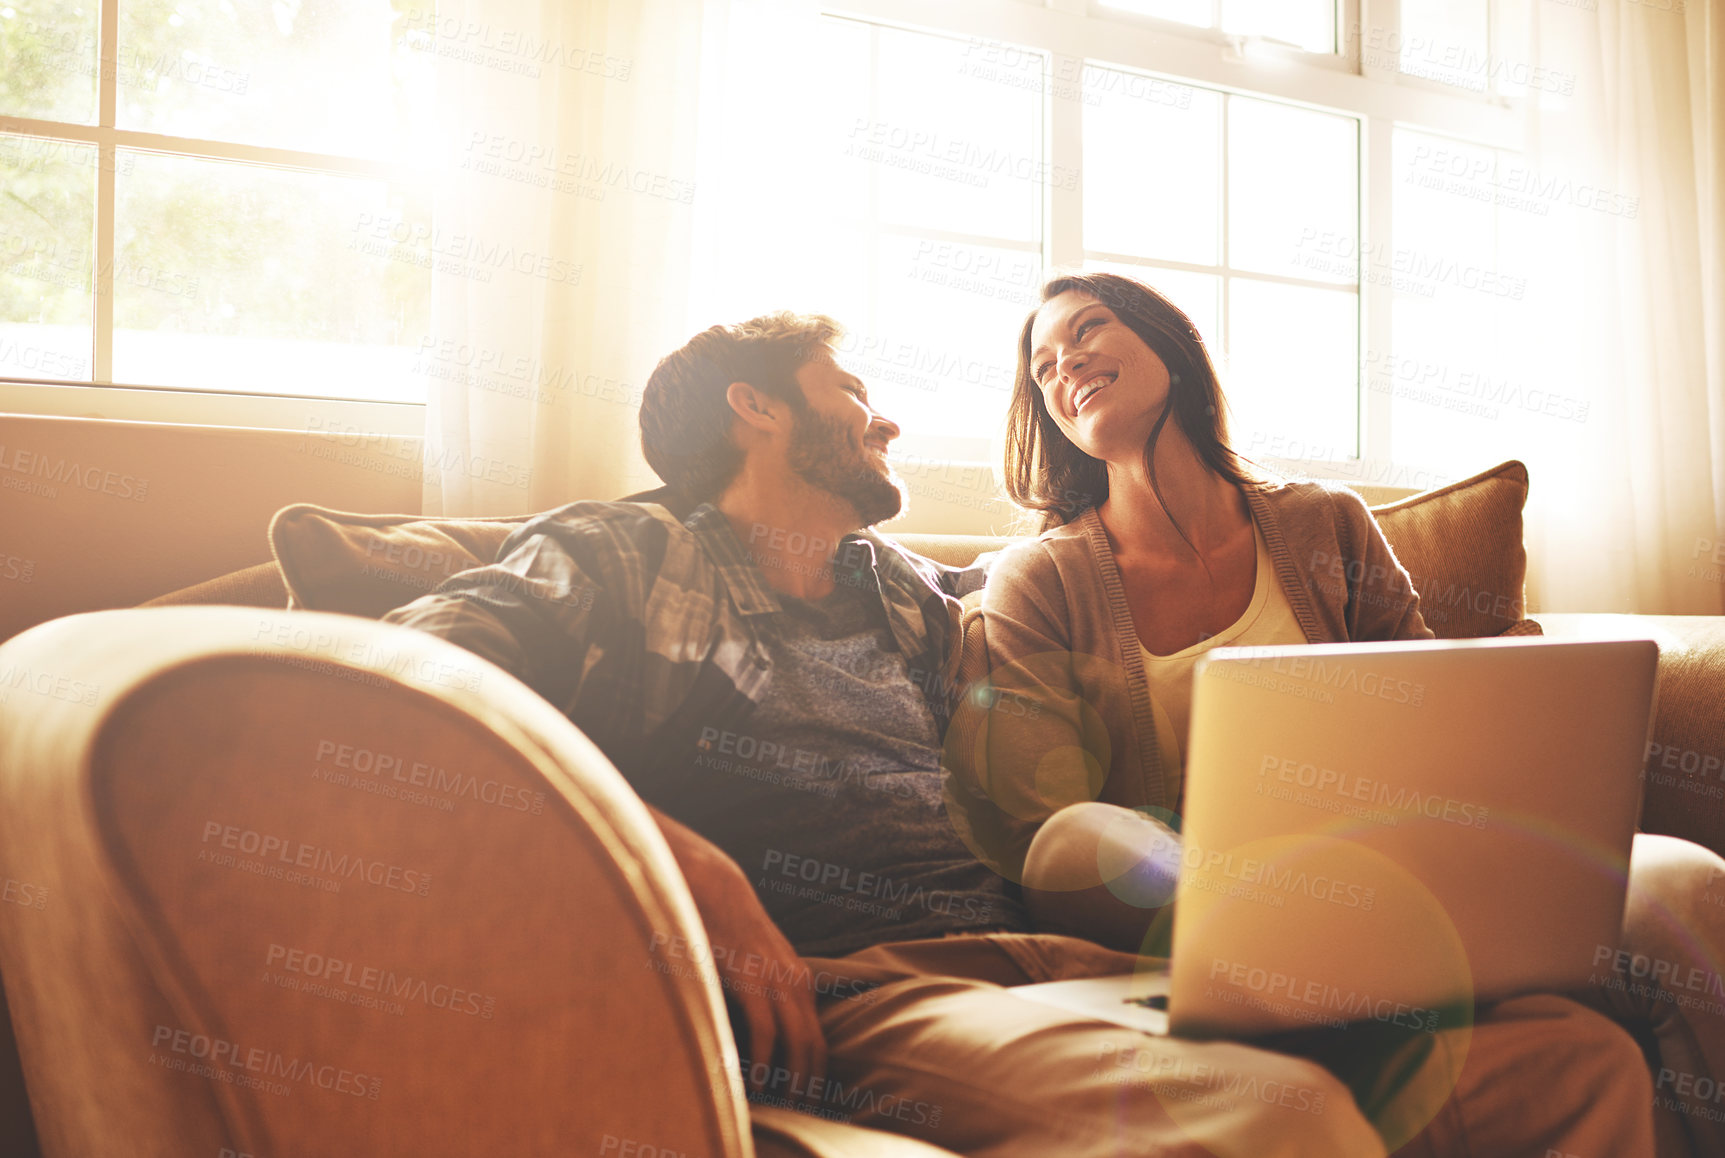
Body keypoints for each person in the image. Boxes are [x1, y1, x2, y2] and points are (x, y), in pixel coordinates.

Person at [383, 310, 1654, 1157]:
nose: (886, 425)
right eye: (853, 394)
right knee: (1276, 1119)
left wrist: (1244, 897)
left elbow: (1048, 805)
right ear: (753, 408)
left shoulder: (910, 602)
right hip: (857, 989)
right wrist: (673, 867)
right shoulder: (615, 551)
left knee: (1572, 1061)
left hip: (1046, 953)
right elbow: (396, 680)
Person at [949, 269, 1725, 1156]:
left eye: (1088, 330)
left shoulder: (1326, 525)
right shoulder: (1039, 581)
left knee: (1684, 885)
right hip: (1199, 913)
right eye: (1042, 365)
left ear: (1169, 345)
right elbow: (1038, 825)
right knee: (1076, 834)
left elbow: (1435, 707)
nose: (1065, 364)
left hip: (1410, 867)